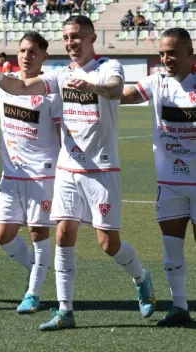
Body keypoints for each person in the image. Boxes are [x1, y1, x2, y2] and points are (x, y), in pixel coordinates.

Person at [0, 15, 156, 331]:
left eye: (76, 36)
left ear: (91, 37)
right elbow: (23, 84)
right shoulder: (59, 76)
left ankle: (141, 277)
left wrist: (93, 86)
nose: (71, 42)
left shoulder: (109, 68)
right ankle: (64, 311)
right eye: (67, 37)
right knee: (62, 234)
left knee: (108, 244)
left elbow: (115, 90)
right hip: (68, 168)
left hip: (102, 168)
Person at [0, 31, 61, 313]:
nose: (27, 56)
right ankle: (40, 268)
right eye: (23, 51)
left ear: (44, 56)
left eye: (33, 51)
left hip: (42, 174)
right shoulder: (4, 85)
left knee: (38, 235)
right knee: (3, 235)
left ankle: (33, 293)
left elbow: (61, 132)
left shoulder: (51, 90)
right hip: (11, 174)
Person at [121, 28, 195, 327]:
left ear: (191, 54)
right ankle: (179, 306)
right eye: (162, 53)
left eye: (172, 53)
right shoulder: (157, 81)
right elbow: (124, 95)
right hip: (170, 183)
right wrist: (96, 89)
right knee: (171, 248)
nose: (166, 59)